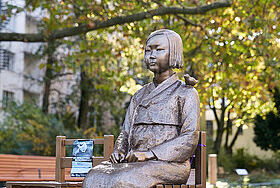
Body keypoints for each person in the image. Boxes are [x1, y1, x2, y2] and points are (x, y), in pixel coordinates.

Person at [82, 29, 200, 188]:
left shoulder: (185, 93)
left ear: (174, 53)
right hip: (133, 162)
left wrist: (149, 154)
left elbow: (189, 137)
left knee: (123, 179)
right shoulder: (139, 95)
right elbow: (125, 132)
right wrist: (120, 150)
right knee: (94, 176)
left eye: (159, 50)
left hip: (169, 164)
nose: (151, 55)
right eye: (148, 50)